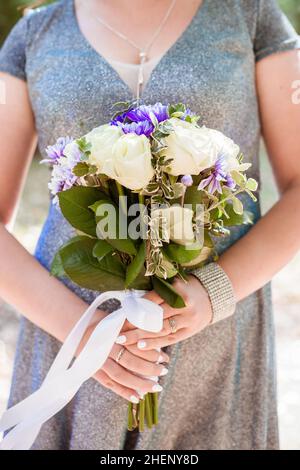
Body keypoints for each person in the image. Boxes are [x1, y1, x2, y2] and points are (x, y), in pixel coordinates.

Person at [0, 0, 299, 450]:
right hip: (68, 340)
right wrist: (86, 335)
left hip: (215, 344)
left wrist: (215, 291)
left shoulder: (251, 17)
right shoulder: (35, 35)